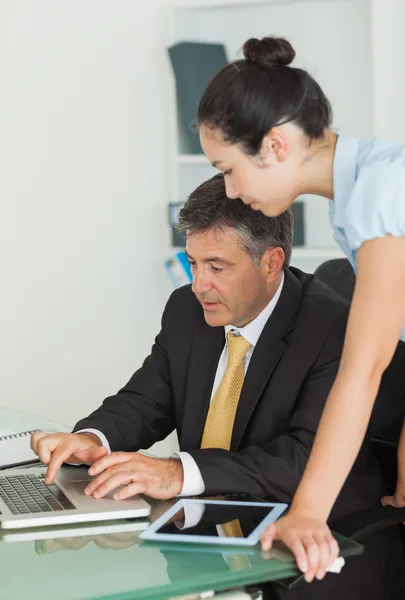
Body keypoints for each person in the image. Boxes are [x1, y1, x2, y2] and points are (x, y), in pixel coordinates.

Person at [32, 174, 383, 528]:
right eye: (193, 263)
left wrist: (177, 473)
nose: (199, 285)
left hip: (311, 542)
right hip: (205, 528)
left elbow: (307, 456)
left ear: (271, 263)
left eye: (217, 267)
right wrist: (92, 439)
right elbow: (146, 401)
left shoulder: (333, 328)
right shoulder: (187, 309)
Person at [197, 35, 405, 582]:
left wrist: (307, 514)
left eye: (228, 168)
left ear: (276, 146)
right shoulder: (362, 191)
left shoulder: (381, 192)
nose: (231, 190)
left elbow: (363, 370)